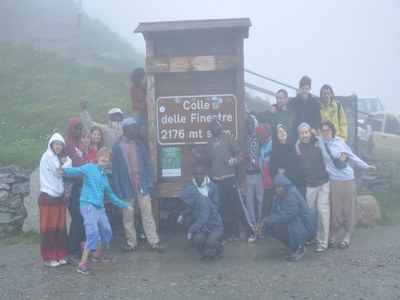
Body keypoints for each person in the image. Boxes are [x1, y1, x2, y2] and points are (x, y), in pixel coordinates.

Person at [57, 147, 134, 275]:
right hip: (87, 205)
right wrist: (64, 171)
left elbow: (111, 196)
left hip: (99, 208)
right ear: (98, 157)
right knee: (92, 233)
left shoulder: (104, 178)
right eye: (102, 156)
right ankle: (82, 264)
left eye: (106, 157)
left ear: (109, 161)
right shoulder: (90, 167)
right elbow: (77, 171)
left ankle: (97, 254)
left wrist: (125, 205)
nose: (104, 158)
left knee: (107, 232)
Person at [191, 117, 256, 242]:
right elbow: (209, 162)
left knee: (238, 206)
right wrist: (197, 155)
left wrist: (233, 161)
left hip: (229, 178)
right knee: (221, 208)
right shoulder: (209, 142)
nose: (214, 126)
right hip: (216, 180)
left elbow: (240, 155)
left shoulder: (228, 138)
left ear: (221, 126)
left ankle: (252, 231)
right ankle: (222, 235)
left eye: (216, 124)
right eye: (212, 125)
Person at [316, 121, 376, 249]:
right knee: (336, 208)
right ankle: (333, 234)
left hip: (347, 178)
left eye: (328, 130)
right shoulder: (320, 141)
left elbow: (352, 157)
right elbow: (304, 137)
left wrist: (367, 166)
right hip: (333, 180)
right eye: (323, 130)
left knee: (349, 206)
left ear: (332, 130)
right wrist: (297, 146)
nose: (326, 132)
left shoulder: (339, 142)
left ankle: (347, 235)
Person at [112, 116, 165, 253]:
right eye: (133, 127)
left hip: (142, 185)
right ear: (125, 129)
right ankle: (131, 242)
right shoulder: (117, 146)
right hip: (126, 187)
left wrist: (149, 182)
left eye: (136, 127)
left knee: (147, 214)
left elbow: (146, 164)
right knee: (128, 217)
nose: (136, 130)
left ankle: (154, 242)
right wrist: (118, 190)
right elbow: (116, 170)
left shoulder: (139, 144)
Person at [257, 174, 316, 261]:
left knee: (277, 227)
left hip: (306, 226)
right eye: (275, 188)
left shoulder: (291, 194)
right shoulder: (279, 195)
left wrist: (269, 219)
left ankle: (299, 248)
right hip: (296, 222)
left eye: (279, 187)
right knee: (269, 225)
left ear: (284, 185)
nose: (277, 190)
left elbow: (289, 215)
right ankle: (292, 246)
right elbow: (274, 212)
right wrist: (264, 221)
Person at [38, 133, 71, 267]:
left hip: (58, 196)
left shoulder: (56, 157)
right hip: (49, 196)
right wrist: (68, 162)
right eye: (56, 143)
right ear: (51, 144)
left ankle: (60, 254)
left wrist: (64, 163)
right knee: (49, 229)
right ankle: (49, 257)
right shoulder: (48, 156)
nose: (58, 146)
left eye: (60, 144)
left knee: (60, 228)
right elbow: (59, 171)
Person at [296, 122, 330, 252]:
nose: (305, 135)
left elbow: (330, 143)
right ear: (298, 135)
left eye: (306, 132)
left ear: (310, 132)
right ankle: (312, 237)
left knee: (323, 211)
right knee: (310, 213)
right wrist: (296, 144)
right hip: (310, 185)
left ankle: (322, 242)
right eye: (302, 133)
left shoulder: (319, 143)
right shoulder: (298, 147)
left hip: (324, 183)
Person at [178, 165, 224, 259]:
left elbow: (206, 215)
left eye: (200, 174)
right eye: (196, 174)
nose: (198, 176)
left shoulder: (212, 188)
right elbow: (192, 208)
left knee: (210, 241)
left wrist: (208, 210)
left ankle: (220, 248)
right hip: (202, 224)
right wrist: (182, 214)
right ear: (193, 175)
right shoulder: (190, 186)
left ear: (204, 174)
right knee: (197, 239)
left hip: (213, 225)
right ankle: (201, 251)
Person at [64, 116, 86, 267]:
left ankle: (78, 249)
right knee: (77, 217)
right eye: (76, 128)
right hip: (71, 186)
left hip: (80, 186)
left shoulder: (77, 143)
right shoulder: (67, 143)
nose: (78, 131)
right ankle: (71, 252)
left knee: (81, 217)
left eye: (80, 128)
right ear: (71, 128)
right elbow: (64, 164)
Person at [269, 124, 306, 197]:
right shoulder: (275, 152)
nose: (282, 133)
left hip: (300, 183)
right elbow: (272, 172)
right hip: (286, 187)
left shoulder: (294, 146)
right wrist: (278, 174)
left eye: (284, 131)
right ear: (276, 136)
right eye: (279, 132)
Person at [244, 115, 264, 229]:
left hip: (259, 173)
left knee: (261, 199)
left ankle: (261, 223)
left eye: (252, 123)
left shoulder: (259, 138)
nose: (250, 125)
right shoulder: (244, 137)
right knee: (249, 200)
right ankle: (252, 223)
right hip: (247, 174)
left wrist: (254, 161)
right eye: (248, 123)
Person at [255, 124, 273, 226]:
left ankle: (264, 229)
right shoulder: (263, 146)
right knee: (266, 207)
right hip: (266, 182)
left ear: (266, 133)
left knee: (268, 207)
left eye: (261, 134)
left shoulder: (271, 143)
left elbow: (270, 162)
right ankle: (264, 229)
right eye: (258, 136)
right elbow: (262, 163)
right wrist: (252, 161)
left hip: (272, 181)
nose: (259, 137)